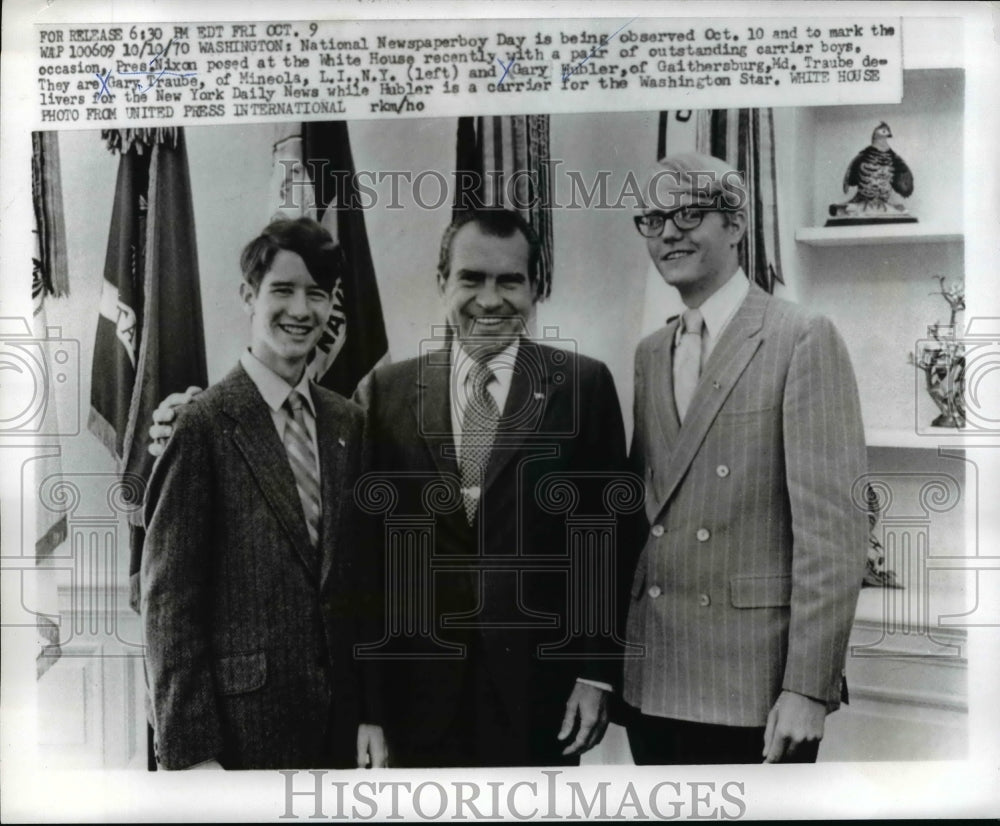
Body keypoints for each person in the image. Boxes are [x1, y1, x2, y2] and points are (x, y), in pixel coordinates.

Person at [354, 208, 630, 767]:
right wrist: (369, 706)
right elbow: (364, 558)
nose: (489, 299)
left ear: (536, 288)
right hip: (416, 703)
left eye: (510, 280)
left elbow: (608, 543)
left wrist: (594, 674)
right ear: (442, 283)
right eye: (471, 278)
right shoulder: (386, 391)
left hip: (540, 699)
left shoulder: (583, 386)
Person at [622, 152, 868, 764]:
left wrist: (808, 687)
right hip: (654, 680)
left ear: (735, 225)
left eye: (688, 213)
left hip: (753, 692)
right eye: (653, 219)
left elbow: (833, 533)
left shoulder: (801, 335)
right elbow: (642, 520)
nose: (668, 232)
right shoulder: (651, 353)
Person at [141, 217, 387, 769]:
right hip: (238, 738)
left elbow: (363, 583)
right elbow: (168, 605)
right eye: (282, 290)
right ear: (249, 295)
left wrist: (371, 712)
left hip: (341, 733)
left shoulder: (350, 422)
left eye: (317, 295)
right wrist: (193, 755)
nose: (301, 311)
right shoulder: (200, 423)